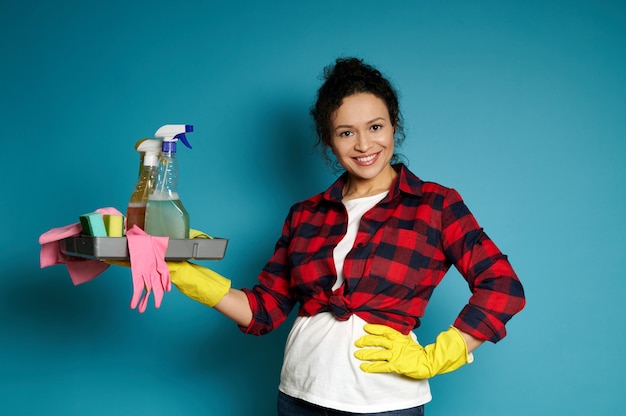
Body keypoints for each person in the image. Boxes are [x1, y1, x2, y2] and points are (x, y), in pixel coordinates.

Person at [168, 57, 526, 415]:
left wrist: (437, 357)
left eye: (375, 127)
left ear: (393, 126)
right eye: (346, 132)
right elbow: (265, 311)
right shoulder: (304, 214)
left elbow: (503, 286)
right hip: (298, 396)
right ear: (329, 140)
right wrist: (189, 276)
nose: (363, 144)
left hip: (386, 403)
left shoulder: (436, 205)